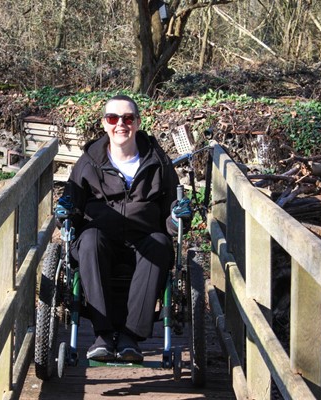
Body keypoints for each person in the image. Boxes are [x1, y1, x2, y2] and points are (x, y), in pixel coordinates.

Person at [55, 94, 192, 363]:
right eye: (113, 118)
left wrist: (177, 218)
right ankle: (103, 336)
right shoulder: (88, 162)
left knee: (161, 244)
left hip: (144, 239)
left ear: (138, 123)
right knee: (90, 239)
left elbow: (171, 213)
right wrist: (64, 213)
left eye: (128, 118)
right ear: (104, 124)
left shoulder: (158, 162)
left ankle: (131, 337)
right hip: (100, 239)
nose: (121, 124)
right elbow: (71, 209)